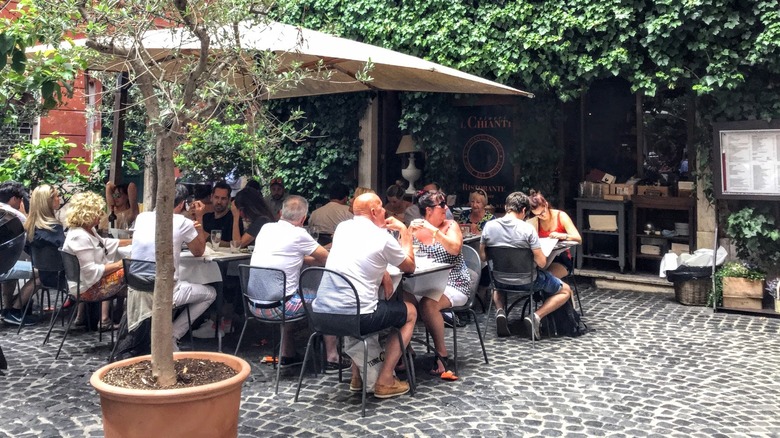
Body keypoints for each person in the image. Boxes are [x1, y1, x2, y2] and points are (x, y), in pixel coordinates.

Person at [314, 193, 416, 398]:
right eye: (382, 208)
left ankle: (357, 377)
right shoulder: (382, 238)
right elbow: (410, 266)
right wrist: (405, 231)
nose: (385, 211)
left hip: (321, 316)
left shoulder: (342, 229)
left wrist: (384, 272)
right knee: (411, 311)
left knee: (365, 302)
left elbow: (357, 257)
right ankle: (385, 379)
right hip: (356, 318)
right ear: (374, 212)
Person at [250, 195, 347, 369]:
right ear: (303, 218)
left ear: (280, 213)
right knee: (326, 297)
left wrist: (311, 257)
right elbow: (328, 260)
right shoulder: (299, 234)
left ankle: (287, 353)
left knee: (290, 291)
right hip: (280, 307)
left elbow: (294, 256)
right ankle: (332, 357)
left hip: (254, 304)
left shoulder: (266, 229)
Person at [131, 184, 216, 348]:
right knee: (211, 293)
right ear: (181, 204)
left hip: (137, 286)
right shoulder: (182, 221)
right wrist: (198, 219)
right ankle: (172, 335)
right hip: (164, 290)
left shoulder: (142, 217)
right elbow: (199, 251)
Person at [479, 191, 573, 339]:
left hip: (499, 279)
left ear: (505, 207)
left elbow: (483, 256)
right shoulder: (527, 229)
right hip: (528, 281)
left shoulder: (488, 227)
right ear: (523, 210)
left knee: (497, 287)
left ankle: (500, 311)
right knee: (565, 291)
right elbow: (542, 263)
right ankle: (535, 316)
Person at [409, 190, 471, 376]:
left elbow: (455, 248)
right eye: (442, 205)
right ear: (428, 210)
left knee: (429, 304)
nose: (446, 208)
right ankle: (405, 351)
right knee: (400, 299)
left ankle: (441, 354)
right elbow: (404, 257)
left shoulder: (451, 226)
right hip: (423, 282)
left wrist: (434, 231)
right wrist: (404, 234)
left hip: (454, 283)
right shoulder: (415, 230)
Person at [62, 192, 131, 331]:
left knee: (131, 270)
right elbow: (90, 271)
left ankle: (124, 318)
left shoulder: (87, 230)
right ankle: (130, 322)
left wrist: (130, 241)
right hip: (87, 288)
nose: (101, 216)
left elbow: (104, 244)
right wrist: (120, 264)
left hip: (87, 282)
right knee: (132, 271)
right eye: (98, 212)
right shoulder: (79, 236)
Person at [0, 181, 36, 325]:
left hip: (4, 263)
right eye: (21, 199)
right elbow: (31, 235)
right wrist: (25, 215)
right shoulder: (13, 215)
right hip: (5, 265)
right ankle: (15, 310)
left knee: (11, 269)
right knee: (40, 273)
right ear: (14, 199)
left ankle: (7, 307)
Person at [526, 190, 582, 280]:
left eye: (543, 212)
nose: (542, 216)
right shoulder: (535, 222)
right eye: (538, 215)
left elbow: (578, 238)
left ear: (546, 205)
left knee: (545, 278)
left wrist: (562, 236)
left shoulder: (561, 216)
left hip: (560, 258)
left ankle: (565, 292)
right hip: (542, 257)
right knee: (532, 277)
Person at [194, 181, 243, 246]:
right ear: (211, 197)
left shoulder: (234, 219)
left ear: (229, 200)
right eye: (216, 197)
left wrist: (207, 236)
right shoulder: (205, 218)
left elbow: (236, 245)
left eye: (223, 198)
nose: (219, 202)